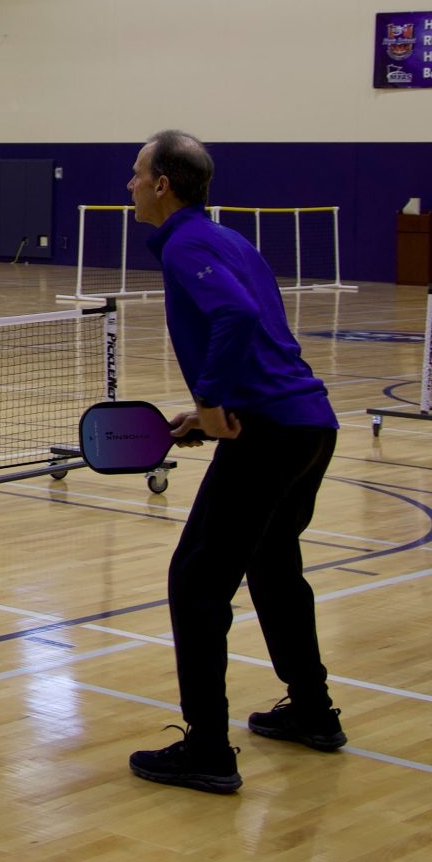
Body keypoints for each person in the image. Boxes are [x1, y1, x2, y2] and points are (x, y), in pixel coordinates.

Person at [123, 130, 345, 794]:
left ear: (163, 184)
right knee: (273, 567)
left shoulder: (189, 243)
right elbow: (262, 335)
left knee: (195, 581)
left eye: (136, 174)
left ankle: (209, 749)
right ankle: (312, 709)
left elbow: (238, 317)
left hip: (270, 434)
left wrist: (215, 399)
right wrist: (206, 415)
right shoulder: (228, 240)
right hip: (310, 426)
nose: (129, 185)